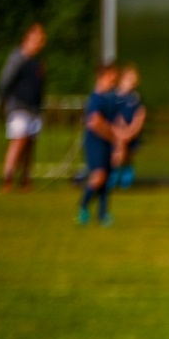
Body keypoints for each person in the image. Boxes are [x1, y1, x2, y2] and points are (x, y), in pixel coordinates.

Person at [0, 23, 46, 193]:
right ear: (27, 38)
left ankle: (25, 180)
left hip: (34, 108)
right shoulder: (17, 57)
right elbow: (5, 81)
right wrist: (5, 101)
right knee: (18, 142)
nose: (39, 42)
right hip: (18, 107)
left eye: (41, 39)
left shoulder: (36, 62)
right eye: (35, 38)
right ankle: (8, 180)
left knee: (29, 146)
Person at [75, 64, 120, 226]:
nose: (113, 82)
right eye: (111, 78)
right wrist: (111, 135)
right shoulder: (96, 98)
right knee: (99, 176)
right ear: (101, 78)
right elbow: (95, 122)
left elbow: (114, 122)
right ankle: (83, 206)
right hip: (95, 142)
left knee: (107, 179)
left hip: (107, 142)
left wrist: (116, 140)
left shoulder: (110, 98)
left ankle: (103, 214)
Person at [112, 65, 147, 190]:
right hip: (116, 132)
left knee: (128, 155)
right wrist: (120, 130)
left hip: (131, 132)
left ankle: (126, 179)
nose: (133, 83)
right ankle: (115, 177)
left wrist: (132, 130)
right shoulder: (115, 96)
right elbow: (114, 115)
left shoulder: (135, 98)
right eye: (130, 79)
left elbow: (140, 114)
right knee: (118, 151)